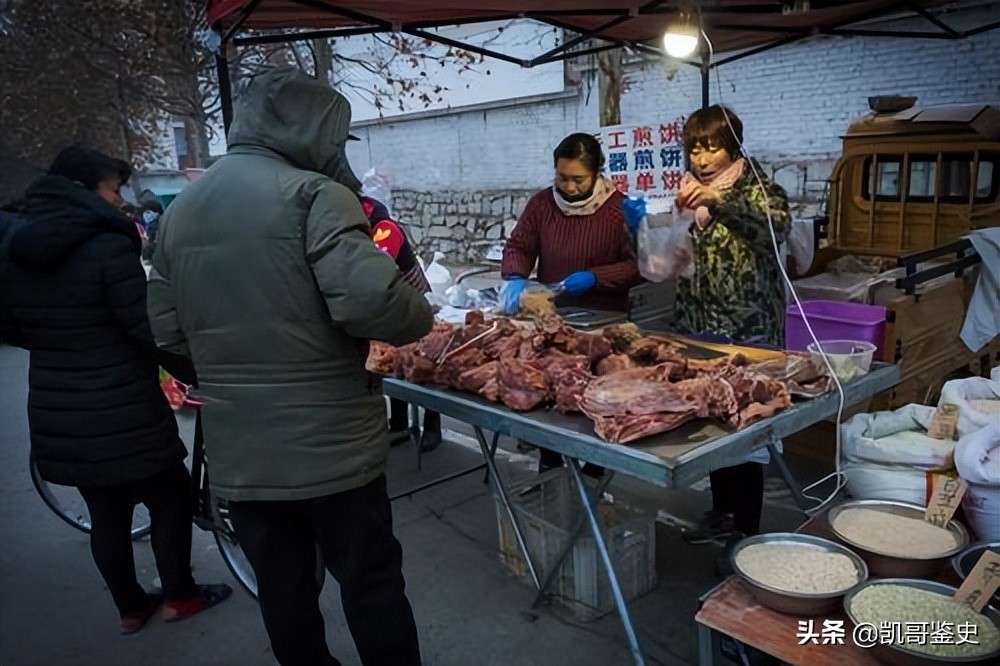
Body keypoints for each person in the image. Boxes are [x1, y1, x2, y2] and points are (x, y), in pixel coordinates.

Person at [146, 67, 433, 666]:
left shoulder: (181, 209)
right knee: (371, 586)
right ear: (310, 129)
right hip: (334, 451)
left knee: (283, 590)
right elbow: (379, 304)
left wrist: (232, 379)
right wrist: (416, 314)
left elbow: (166, 331)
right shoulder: (314, 195)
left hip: (242, 453)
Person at [0, 145, 231, 635]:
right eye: (114, 188)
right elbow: (146, 330)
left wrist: (61, 345)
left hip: (57, 404)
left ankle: (130, 608)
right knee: (169, 496)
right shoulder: (106, 244)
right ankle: (180, 597)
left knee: (106, 509)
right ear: (85, 190)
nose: (122, 199)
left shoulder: (15, 242)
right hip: (122, 404)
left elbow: (11, 325)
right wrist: (197, 371)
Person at [670, 105, 791, 549]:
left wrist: (720, 203)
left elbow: (776, 229)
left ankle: (747, 531)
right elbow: (676, 254)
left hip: (749, 332)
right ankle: (722, 514)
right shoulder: (687, 195)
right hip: (700, 329)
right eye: (695, 150)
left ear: (733, 146)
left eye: (712, 148)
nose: (702, 160)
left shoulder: (761, 190)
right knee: (715, 425)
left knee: (747, 429)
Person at [502, 132, 642, 473]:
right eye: (562, 177)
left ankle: (595, 478)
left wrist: (596, 276)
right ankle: (552, 470)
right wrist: (515, 276)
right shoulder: (542, 205)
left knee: (597, 405)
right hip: (556, 322)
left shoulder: (617, 209)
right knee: (554, 402)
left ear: (596, 172)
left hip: (606, 325)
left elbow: (638, 265)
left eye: (578, 179)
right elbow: (519, 245)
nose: (569, 186)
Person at [361, 196, 443, 451]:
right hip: (388, 303)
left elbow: (376, 273)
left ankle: (432, 426)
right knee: (395, 362)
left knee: (423, 359)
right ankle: (398, 423)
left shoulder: (385, 228)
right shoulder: (356, 226)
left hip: (413, 298)